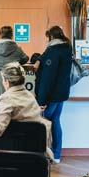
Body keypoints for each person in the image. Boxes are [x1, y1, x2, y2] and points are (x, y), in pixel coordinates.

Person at [34, 26, 72, 163]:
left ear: (51, 37)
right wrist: (39, 59)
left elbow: (47, 79)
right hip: (61, 94)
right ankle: (56, 154)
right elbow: (44, 56)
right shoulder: (66, 49)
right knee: (55, 121)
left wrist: (41, 100)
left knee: (44, 124)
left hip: (51, 96)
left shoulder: (53, 51)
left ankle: (44, 154)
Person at [0, 26, 29, 117]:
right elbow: (26, 58)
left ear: (0, 34)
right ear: (11, 35)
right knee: (9, 122)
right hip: (10, 86)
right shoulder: (17, 49)